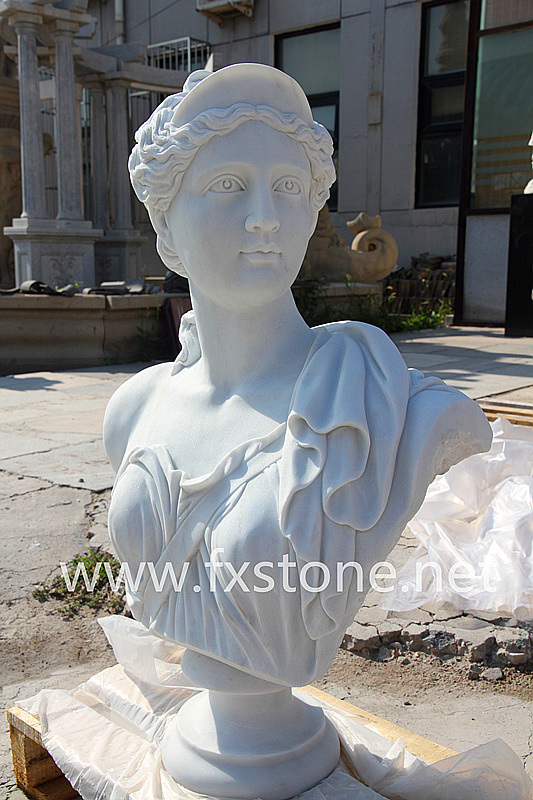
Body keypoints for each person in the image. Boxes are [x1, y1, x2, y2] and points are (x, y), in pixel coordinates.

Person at [103, 63, 491, 688]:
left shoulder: (379, 402)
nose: (265, 216)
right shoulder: (135, 407)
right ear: (165, 227)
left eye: (287, 187)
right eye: (229, 184)